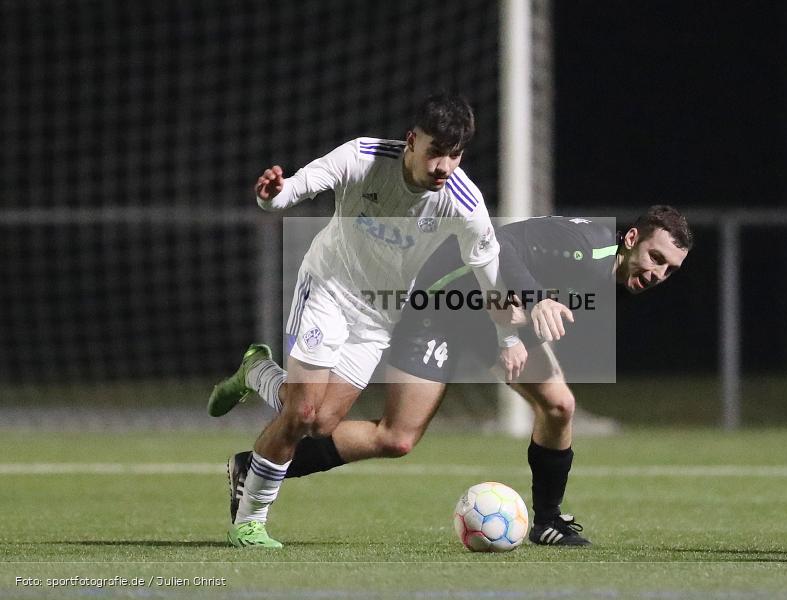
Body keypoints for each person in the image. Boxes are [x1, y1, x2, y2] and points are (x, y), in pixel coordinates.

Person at [218, 206, 693, 546]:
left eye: (669, 270)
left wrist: (510, 331)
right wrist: (532, 305)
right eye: (656, 258)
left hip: (487, 313)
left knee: (559, 405)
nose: (658, 274)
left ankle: (548, 520)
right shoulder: (584, 246)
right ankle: (257, 457)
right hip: (437, 306)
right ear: (632, 239)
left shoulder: (607, 270)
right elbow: (499, 246)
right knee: (395, 437)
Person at [209, 93, 527, 548]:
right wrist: (272, 198)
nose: (444, 167)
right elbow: (298, 187)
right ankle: (250, 520)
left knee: (320, 423)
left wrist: (508, 336)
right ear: (411, 140)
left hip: (379, 315)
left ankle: (256, 371)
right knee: (300, 413)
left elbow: (490, 273)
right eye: (436, 151)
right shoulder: (362, 157)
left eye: (454, 156)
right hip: (327, 288)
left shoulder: (463, 202)